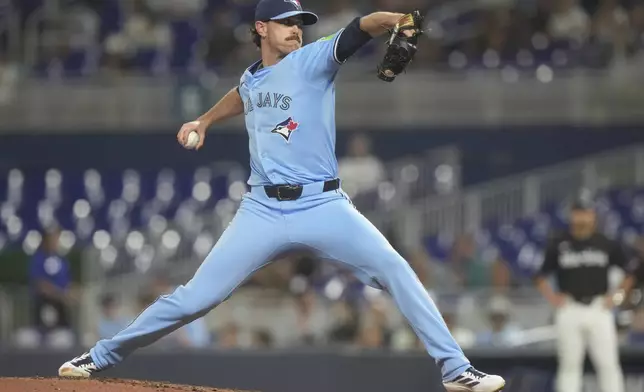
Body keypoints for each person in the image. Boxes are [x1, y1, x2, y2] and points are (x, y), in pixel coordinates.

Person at [58, 1, 505, 391]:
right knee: (194, 298)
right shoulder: (252, 76)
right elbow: (245, 94)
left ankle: (455, 369)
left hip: (323, 204)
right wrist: (206, 120)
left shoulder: (313, 59)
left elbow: (360, 26)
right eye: (286, 21)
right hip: (263, 209)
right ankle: (99, 356)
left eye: (300, 22)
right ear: (261, 29)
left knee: (395, 268)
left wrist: (399, 20)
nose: (296, 28)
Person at [534, 194, 636, 392]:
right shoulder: (560, 243)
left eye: (586, 213)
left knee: (608, 365)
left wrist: (616, 298)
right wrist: (553, 297)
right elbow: (539, 276)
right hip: (569, 307)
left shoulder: (605, 242)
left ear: (593, 216)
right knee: (569, 366)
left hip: (599, 307)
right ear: (572, 215)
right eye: (579, 213)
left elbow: (629, 273)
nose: (582, 218)